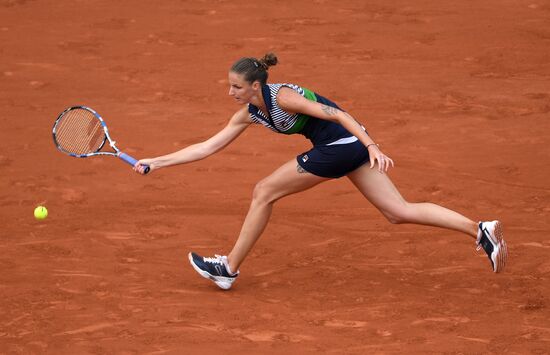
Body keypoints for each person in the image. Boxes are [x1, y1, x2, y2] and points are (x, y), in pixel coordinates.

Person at [133, 53, 508, 290]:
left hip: (343, 144)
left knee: (265, 190)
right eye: (229, 85)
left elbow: (338, 114)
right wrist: (156, 161)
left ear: (256, 85)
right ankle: (480, 230)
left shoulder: (282, 97)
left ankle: (228, 267)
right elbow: (208, 146)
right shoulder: (250, 112)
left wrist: (373, 145)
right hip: (344, 148)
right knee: (398, 212)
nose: (230, 92)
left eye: (236, 86)